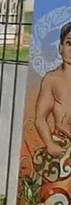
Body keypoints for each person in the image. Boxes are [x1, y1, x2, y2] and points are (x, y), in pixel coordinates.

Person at [34, 21, 71, 160]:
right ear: (61, 47)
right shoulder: (52, 80)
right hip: (62, 146)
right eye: (69, 43)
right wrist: (50, 145)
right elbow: (40, 118)